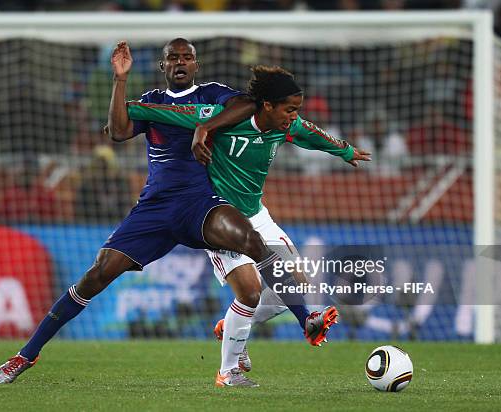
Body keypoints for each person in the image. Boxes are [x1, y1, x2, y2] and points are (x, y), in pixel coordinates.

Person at [0, 39, 334, 388]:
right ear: (163, 66)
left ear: (196, 66)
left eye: (187, 57)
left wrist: (206, 127)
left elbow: (247, 105)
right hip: (155, 208)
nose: (181, 62)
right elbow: (119, 131)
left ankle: (305, 318)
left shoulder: (213, 94)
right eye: (174, 57)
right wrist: (120, 79)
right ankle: (26, 354)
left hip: (202, 201)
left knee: (252, 240)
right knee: (97, 274)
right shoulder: (152, 102)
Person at [126, 65, 371, 387]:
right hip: (220, 219)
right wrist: (130, 107)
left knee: (294, 284)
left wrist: (344, 151)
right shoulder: (226, 119)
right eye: (289, 108)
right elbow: (176, 114)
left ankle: (231, 328)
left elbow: (312, 134)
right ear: (267, 105)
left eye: (296, 109)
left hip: (257, 215)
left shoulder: (285, 125)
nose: (293, 116)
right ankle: (228, 372)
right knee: (251, 292)